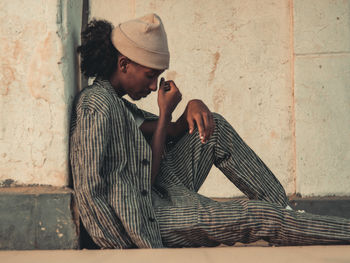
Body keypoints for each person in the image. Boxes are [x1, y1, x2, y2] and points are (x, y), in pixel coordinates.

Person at [70, 13, 350, 249]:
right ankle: (297, 223)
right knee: (258, 217)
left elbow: (172, 134)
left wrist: (192, 106)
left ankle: (288, 215)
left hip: (162, 190)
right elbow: (89, 189)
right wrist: (122, 247)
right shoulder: (95, 105)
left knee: (212, 126)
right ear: (123, 65)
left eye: (158, 76)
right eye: (150, 75)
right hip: (152, 215)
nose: (154, 86)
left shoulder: (119, 105)